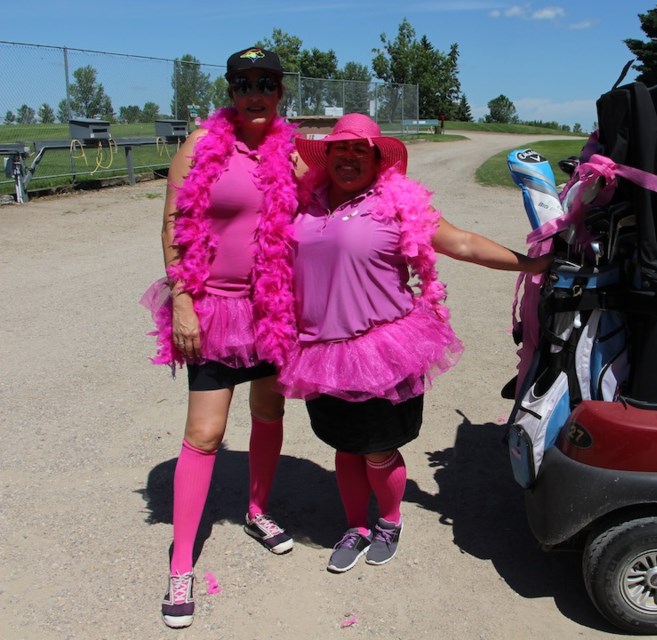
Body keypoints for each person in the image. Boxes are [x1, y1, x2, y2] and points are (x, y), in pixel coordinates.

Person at [282, 113, 552, 573]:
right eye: (339, 150)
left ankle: (388, 520)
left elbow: (463, 244)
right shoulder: (304, 203)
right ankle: (356, 526)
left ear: (376, 159)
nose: (347, 158)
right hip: (318, 350)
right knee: (344, 446)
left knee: (377, 449)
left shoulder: (397, 204)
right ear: (325, 157)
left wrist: (533, 265)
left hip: (380, 347)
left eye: (359, 151)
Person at [140, 46, 299, 629]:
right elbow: (173, 225)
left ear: (281, 91)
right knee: (204, 434)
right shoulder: (201, 147)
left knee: (268, 407)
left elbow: (335, 197)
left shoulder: (292, 153)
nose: (254, 94)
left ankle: (258, 510)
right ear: (230, 92)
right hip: (214, 308)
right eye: (242, 85)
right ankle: (181, 563)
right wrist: (182, 300)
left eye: (265, 84)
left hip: (273, 309)